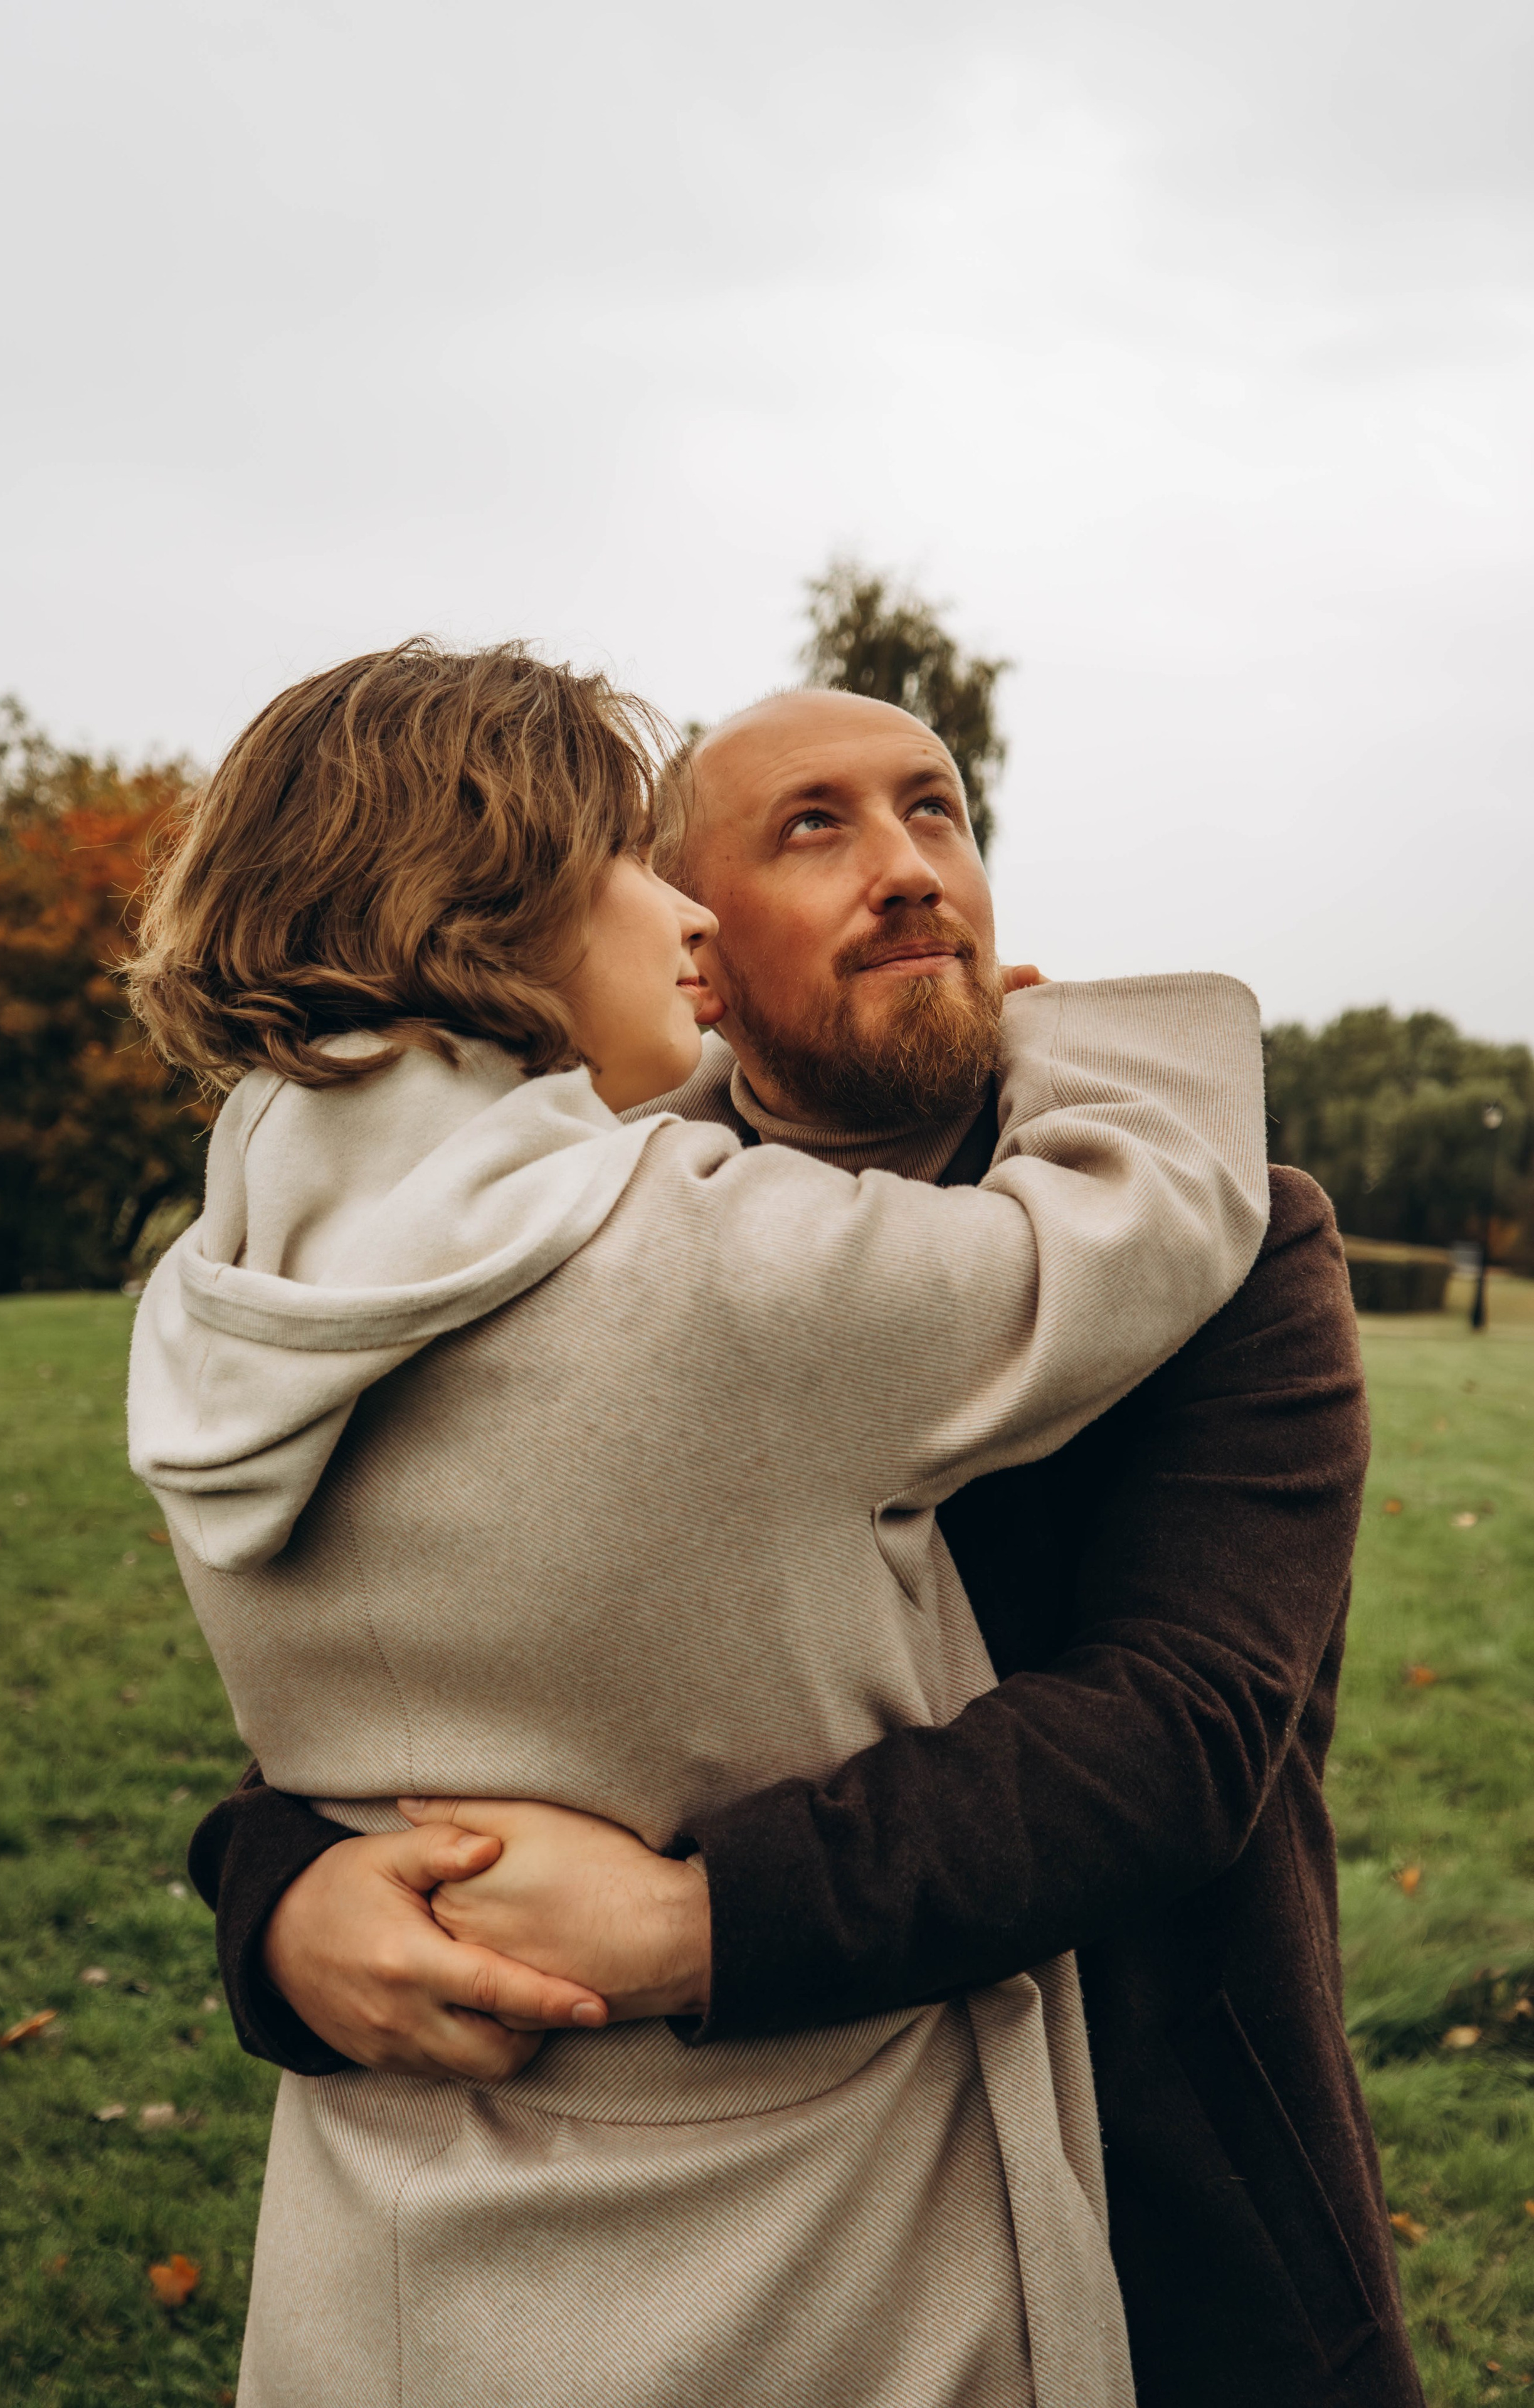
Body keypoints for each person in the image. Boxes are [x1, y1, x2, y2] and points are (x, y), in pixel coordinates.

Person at [194, 685, 1425, 2408]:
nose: (912, 870)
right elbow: (423, 1650)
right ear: (696, 940)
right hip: (713, 2288)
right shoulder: (560, 1253)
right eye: (813, 829)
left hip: (1177, 2211)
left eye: (937, 811)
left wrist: (698, 1923)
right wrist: (283, 1897)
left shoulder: (1237, 1246)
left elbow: (1181, 1731)